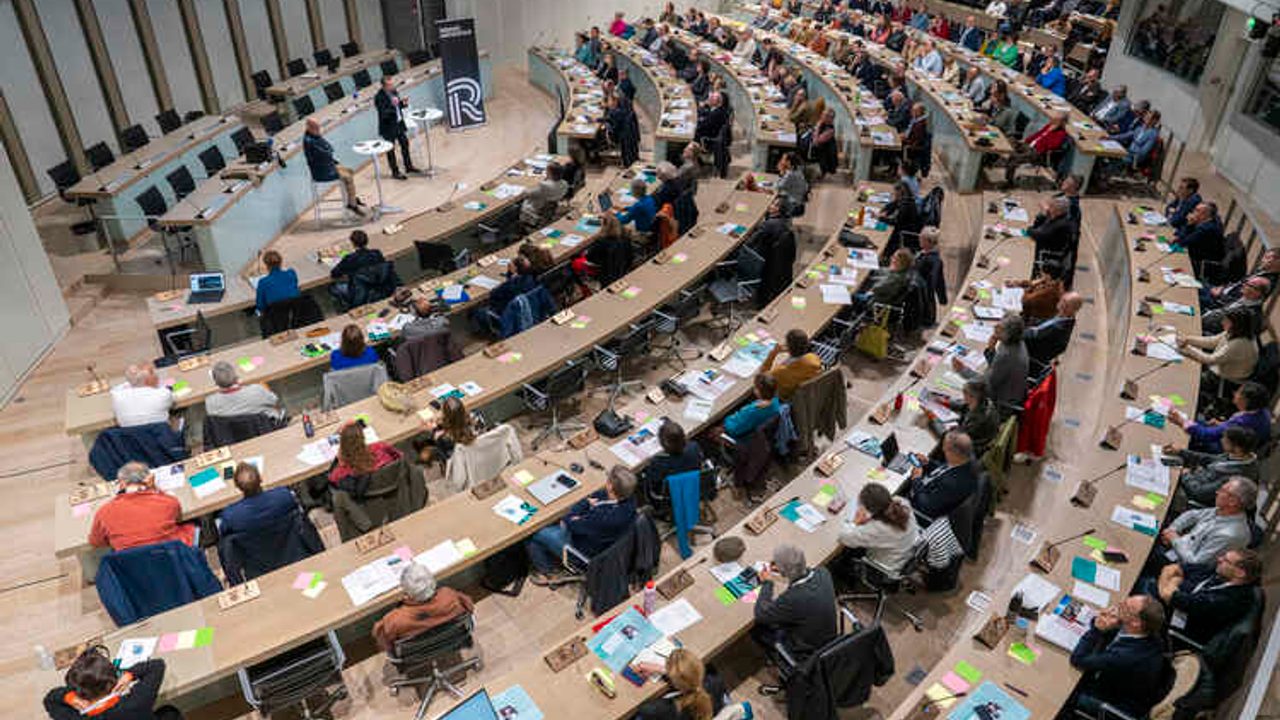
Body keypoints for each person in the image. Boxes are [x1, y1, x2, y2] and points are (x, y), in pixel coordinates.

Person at [526, 465, 638, 576]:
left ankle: (549, 571)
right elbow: (597, 496)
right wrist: (584, 511)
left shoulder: (603, 517)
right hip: (606, 544)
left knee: (536, 534)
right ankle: (549, 561)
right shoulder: (631, 499)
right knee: (550, 530)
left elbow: (568, 521)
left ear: (610, 486)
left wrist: (584, 506)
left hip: (583, 551)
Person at [1068, 595, 1167, 719]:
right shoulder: (1150, 634)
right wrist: (1104, 620)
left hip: (1110, 701)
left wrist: (1097, 630)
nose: (1120, 604)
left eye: (1126, 607)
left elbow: (1078, 659)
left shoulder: (1124, 657)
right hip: (1122, 683)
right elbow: (1108, 629)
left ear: (1136, 622)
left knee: (1063, 692)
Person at [752, 544, 838, 663]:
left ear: (782, 572)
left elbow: (761, 615)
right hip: (828, 638)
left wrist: (767, 583)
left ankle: (778, 658)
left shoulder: (794, 598)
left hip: (805, 649)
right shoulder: (823, 572)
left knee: (757, 629)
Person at [1155, 549, 1261, 644]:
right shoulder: (1221, 573)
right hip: (1179, 598)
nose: (1219, 559)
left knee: (1145, 584)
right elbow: (1171, 568)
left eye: (1226, 561)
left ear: (1240, 573)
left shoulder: (1228, 601)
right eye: (1223, 556)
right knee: (1156, 558)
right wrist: (1173, 583)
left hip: (1178, 625)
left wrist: (1175, 581)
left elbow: (1168, 595)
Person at [45, 651, 183, 720]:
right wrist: (130, 675)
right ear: (113, 682)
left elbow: (50, 700)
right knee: (169, 712)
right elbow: (157, 666)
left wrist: (69, 697)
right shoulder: (137, 702)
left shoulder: (74, 717)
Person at [89, 462, 196, 551]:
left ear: (121, 484)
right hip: (172, 557)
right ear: (148, 480)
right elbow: (177, 518)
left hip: (135, 567)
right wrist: (154, 488)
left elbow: (96, 542)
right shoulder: (168, 501)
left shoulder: (104, 512)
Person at [372, 561, 474, 650]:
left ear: (406, 591)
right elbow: (469, 607)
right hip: (452, 641)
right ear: (433, 582)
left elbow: (384, 643)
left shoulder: (394, 620)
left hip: (417, 655)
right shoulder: (450, 596)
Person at [1158, 477, 1257, 567]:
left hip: (1180, 566)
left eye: (1222, 491)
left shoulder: (1229, 535)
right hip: (1179, 547)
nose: (1217, 492)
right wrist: (1172, 529)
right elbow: (1192, 515)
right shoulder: (1223, 510)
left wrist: (1175, 540)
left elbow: (1195, 563)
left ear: (1233, 501)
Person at [1166, 425, 1259, 508]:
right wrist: (1181, 452)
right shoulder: (1239, 456)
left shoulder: (1235, 478)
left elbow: (1199, 493)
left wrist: (1186, 475)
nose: (1222, 440)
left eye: (1226, 441)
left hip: (1189, 494)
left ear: (1238, 448)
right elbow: (1209, 459)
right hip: (1194, 477)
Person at [956, 313, 1029, 416]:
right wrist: (991, 350)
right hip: (1012, 390)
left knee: (964, 390)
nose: (995, 326)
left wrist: (963, 370)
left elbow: (987, 385)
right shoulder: (1016, 342)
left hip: (1002, 403)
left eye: (1000, 327)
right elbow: (997, 368)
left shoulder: (1006, 355)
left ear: (1007, 334)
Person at [1169, 381, 1272, 453]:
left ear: (1245, 401)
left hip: (1223, 449)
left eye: (1239, 393)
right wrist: (1222, 424)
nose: (1235, 393)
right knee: (1195, 420)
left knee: (1187, 424)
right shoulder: (1262, 411)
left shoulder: (1241, 422)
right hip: (1239, 444)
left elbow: (1205, 435)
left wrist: (1181, 422)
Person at [839, 482, 920, 572]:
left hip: (887, 568)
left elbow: (844, 538)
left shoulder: (877, 529)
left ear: (869, 510)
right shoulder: (902, 503)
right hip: (908, 552)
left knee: (847, 552)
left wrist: (855, 522)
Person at [634, 648, 726, 720]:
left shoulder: (662, 709)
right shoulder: (717, 682)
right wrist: (664, 670)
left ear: (676, 683)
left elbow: (643, 710)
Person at [907, 431, 979, 520]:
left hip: (919, 510)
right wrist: (929, 463)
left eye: (944, 446)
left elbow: (925, 505)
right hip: (932, 488)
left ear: (953, 452)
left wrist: (916, 480)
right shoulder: (966, 459)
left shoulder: (952, 484)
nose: (943, 449)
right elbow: (945, 469)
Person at [1177, 307, 1258, 385]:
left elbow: (1210, 360)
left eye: (1226, 321)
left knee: (1186, 378)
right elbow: (1211, 342)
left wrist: (1187, 347)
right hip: (1218, 364)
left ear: (1236, 324)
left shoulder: (1239, 344)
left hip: (1226, 378)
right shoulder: (1235, 332)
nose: (1222, 322)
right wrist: (1188, 339)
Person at [302, 117, 364, 216]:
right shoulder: (309, 141)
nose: (318, 130)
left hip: (328, 165)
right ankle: (352, 204)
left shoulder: (314, 136)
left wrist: (319, 138)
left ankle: (351, 198)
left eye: (318, 128)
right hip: (322, 171)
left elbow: (329, 148)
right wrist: (326, 148)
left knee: (350, 171)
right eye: (316, 128)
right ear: (309, 127)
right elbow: (327, 153)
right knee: (347, 176)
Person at [217, 462, 298, 536]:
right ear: (261, 479)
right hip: (288, 543)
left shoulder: (230, 515)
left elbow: (224, 532)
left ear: (237, 487)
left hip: (250, 550)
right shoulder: (284, 495)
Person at [641, 420, 704, 507]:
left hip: (668, 497)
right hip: (693, 488)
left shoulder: (658, 462)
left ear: (663, 443)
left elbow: (652, 480)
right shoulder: (694, 447)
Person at [329, 420, 403, 490]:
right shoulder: (380, 446)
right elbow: (399, 456)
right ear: (363, 438)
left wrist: (339, 460)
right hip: (391, 481)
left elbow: (332, 480)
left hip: (368, 494)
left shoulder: (343, 471)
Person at [1004, 112, 1070, 186]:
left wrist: (1047, 136)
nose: (1053, 120)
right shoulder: (1049, 126)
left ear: (1062, 122)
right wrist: (1025, 141)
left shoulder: (1061, 133)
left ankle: (1009, 182)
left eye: (1056, 120)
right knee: (1010, 140)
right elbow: (1037, 134)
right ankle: (1000, 162)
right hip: (1029, 146)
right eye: (1053, 118)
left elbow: (1053, 146)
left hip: (1037, 153)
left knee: (1014, 158)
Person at [205, 361, 285, 421]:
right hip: (266, 427)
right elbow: (274, 400)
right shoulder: (256, 390)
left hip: (234, 435)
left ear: (215, 382)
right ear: (236, 377)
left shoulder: (210, 402)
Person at [374, 76, 418, 180]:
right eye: (390, 85)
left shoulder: (394, 92)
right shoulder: (379, 97)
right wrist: (394, 106)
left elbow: (398, 106)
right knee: (391, 150)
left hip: (399, 124)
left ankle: (408, 166)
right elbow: (383, 113)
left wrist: (403, 104)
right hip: (388, 127)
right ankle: (395, 172)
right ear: (384, 86)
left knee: (405, 144)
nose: (392, 86)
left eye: (392, 84)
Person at [1023, 291, 1082, 368]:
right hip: (1029, 341)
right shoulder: (1062, 318)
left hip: (1026, 353)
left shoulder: (1059, 328)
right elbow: (1041, 326)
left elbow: (1034, 335)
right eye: (1063, 300)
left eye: (1066, 304)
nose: (1062, 304)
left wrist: (1016, 330)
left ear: (1073, 310)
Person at [761, 329, 823, 401]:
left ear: (787, 346)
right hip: (811, 396)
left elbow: (762, 377)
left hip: (785, 399)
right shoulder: (813, 358)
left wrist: (773, 353)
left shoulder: (779, 372)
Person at [328, 230, 386, 302]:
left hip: (359, 291)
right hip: (377, 286)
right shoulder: (377, 253)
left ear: (352, 243)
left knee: (333, 287)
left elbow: (334, 273)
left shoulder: (350, 258)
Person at [110, 363, 173, 428]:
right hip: (162, 436)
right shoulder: (163, 394)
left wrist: (133, 380)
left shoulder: (117, 396)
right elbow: (173, 387)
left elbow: (115, 389)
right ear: (147, 379)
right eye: (152, 372)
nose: (157, 375)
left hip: (132, 437)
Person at [1027, 195, 1076, 278]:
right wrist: (1043, 214)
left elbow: (1039, 234)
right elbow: (1038, 226)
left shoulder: (1060, 224)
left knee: (1039, 281)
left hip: (1049, 259)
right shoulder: (1059, 217)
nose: (1049, 209)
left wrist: (1029, 230)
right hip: (1047, 254)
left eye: (1051, 207)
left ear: (1059, 210)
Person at [723, 374, 783, 441]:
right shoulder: (775, 400)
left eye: (755, 387)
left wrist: (725, 420)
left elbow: (734, 430)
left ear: (758, 391)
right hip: (751, 428)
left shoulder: (753, 411)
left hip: (738, 433)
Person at [1202, 276, 1269, 335]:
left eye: (1250, 285)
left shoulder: (1250, 313)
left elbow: (1226, 333)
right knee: (1191, 309)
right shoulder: (1243, 298)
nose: (1244, 285)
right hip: (1205, 316)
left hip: (1206, 331)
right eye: (1246, 282)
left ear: (1258, 293)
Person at [1174, 202, 1225, 276]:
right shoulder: (1210, 223)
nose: (1193, 213)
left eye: (1197, 211)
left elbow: (1182, 242)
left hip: (1203, 266)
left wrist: (1189, 224)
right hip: (1201, 259)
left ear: (1205, 215)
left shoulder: (1206, 229)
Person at [519, 162, 568, 232]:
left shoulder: (544, 186)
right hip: (549, 208)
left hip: (534, 208)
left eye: (547, 171)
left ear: (550, 173)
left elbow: (526, 193)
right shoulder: (564, 183)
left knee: (516, 205)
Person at [881, 180, 924, 258]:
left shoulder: (906, 205)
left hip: (905, 233)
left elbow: (895, 222)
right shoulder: (905, 199)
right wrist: (884, 210)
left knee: (883, 237)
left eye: (894, 192)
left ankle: (885, 256)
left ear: (899, 193)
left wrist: (881, 218)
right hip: (902, 228)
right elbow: (893, 204)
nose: (893, 194)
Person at [254, 249, 300, 313]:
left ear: (266, 265)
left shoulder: (263, 282)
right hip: (293, 312)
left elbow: (260, 306)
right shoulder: (291, 273)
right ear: (281, 262)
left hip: (273, 317)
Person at [914, 226, 947, 308]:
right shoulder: (928, 255)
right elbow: (940, 281)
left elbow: (937, 281)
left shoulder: (930, 260)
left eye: (921, 238)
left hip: (920, 297)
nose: (919, 239)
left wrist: (942, 299)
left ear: (929, 242)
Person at [775, 152, 808, 216]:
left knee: (770, 203)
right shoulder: (798, 171)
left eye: (783, 159)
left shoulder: (791, 174)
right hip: (798, 204)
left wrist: (781, 172)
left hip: (792, 205)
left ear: (788, 162)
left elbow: (778, 186)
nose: (781, 161)